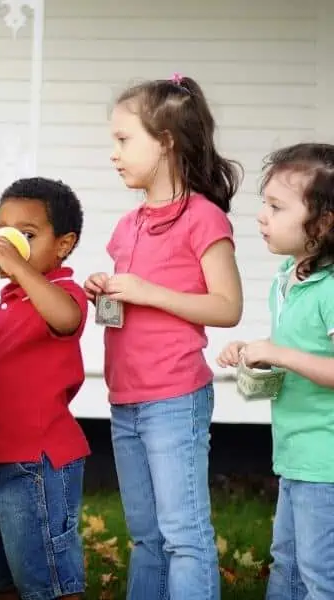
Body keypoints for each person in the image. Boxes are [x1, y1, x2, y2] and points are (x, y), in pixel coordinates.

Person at [83, 74, 244, 600]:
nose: (114, 153)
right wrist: (106, 295)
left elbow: (227, 307)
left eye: (124, 140)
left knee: (183, 537)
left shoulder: (203, 218)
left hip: (174, 398)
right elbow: (129, 311)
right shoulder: (127, 226)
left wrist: (148, 291)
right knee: (145, 538)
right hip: (125, 398)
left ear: (167, 141)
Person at [0, 177, 89, 600]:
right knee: (1, 575)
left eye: (26, 235)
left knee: (45, 577)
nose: (11, 243)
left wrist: (21, 268)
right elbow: (7, 353)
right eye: (3, 231)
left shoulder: (63, 291)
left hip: (36, 459)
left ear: (63, 245)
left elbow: (65, 319)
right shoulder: (14, 298)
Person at [217, 143, 334, 600]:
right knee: (286, 563)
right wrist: (254, 351)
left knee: (320, 576)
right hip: (296, 452)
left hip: (325, 459)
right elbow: (295, 349)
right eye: (263, 204)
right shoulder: (289, 276)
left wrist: (278, 354)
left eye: (276, 206)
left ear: (322, 223)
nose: (262, 216)